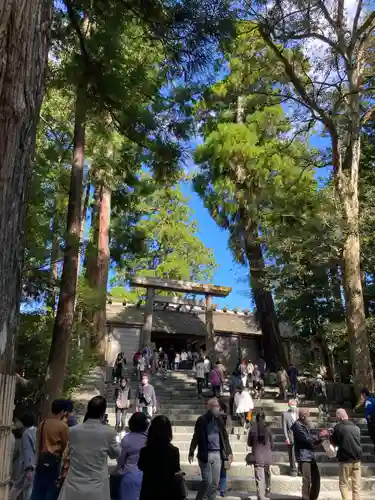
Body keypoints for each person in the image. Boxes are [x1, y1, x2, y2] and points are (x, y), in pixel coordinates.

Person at [57, 396, 120, 500]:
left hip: (73, 484)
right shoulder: (108, 432)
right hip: (97, 487)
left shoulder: (73, 431)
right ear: (103, 412)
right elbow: (115, 454)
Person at [188, 398, 233, 500]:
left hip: (217, 454)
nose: (217, 409)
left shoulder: (219, 421)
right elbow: (196, 436)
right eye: (215, 407)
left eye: (218, 407)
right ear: (210, 407)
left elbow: (225, 438)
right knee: (207, 481)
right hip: (205, 454)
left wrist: (229, 452)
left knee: (215, 482)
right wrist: (191, 451)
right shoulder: (202, 420)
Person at [30, 400, 69, 500]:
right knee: (51, 492)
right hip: (54, 462)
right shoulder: (63, 426)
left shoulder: (42, 424)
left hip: (41, 461)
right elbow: (65, 445)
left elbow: (38, 443)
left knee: (37, 491)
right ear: (62, 412)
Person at [138, 416, 180, 500]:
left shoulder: (145, 451)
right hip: (167, 490)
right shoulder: (173, 451)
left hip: (149, 490)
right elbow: (175, 469)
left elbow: (141, 466)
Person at [329, 408, 361, 500]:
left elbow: (334, 442)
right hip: (357, 460)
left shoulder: (338, 427)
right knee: (356, 485)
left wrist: (331, 435)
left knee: (343, 484)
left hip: (345, 460)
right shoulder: (356, 427)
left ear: (338, 417)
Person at [117, 413, 148, 500]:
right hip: (146, 477)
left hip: (129, 476)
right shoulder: (149, 439)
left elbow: (120, 461)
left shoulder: (126, 439)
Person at [292, 408, 321, 500]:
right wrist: (319, 436)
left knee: (316, 478)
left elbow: (312, 439)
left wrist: (321, 438)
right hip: (303, 456)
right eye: (308, 416)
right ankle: (306, 498)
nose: (309, 418)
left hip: (310, 455)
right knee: (307, 480)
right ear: (303, 416)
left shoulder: (304, 425)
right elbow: (306, 439)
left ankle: (312, 497)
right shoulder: (297, 426)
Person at [9, 413, 37, 500]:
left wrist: (29, 468)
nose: (15, 423)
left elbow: (27, 451)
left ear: (22, 422)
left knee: (20, 490)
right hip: (35, 465)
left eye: (17, 421)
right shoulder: (36, 430)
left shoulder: (26, 434)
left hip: (26, 467)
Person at [248, 412, 273, 500]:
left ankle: (261, 496)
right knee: (267, 473)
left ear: (256, 418)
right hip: (267, 456)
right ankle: (268, 489)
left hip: (257, 457)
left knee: (259, 477)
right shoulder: (268, 429)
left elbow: (249, 443)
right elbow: (272, 444)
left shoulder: (252, 428)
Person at [218, 402, 232, 498]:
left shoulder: (213, 418)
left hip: (214, 448)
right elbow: (228, 433)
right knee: (223, 470)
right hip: (224, 448)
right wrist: (230, 452)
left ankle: (213, 488)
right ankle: (222, 490)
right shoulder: (227, 418)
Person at [281, 400, 298, 476]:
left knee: (298, 453)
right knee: (292, 453)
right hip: (290, 436)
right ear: (289, 405)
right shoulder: (285, 414)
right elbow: (284, 427)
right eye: (292, 406)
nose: (294, 407)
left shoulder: (298, 414)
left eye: (295, 405)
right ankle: (293, 469)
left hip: (298, 436)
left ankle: (298, 469)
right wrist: (286, 437)